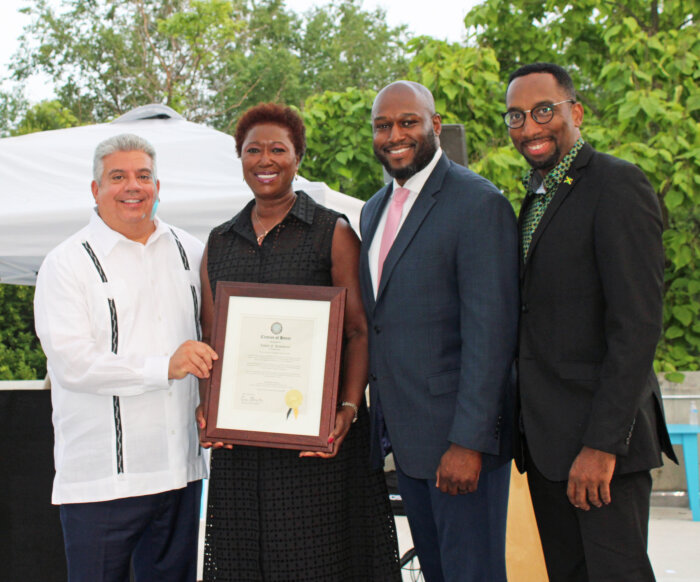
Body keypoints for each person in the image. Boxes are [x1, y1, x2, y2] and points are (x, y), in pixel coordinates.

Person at [196, 102, 401, 581]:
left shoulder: (331, 232)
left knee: (321, 559)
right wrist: (210, 408)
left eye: (277, 149)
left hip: (318, 438)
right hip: (241, 446)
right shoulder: (219, 241)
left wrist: (348, 409)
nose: (264, 160)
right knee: (245, 560)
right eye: (252, 150)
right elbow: (212, 337)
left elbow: (356, 330)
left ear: (298, 157)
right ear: (240, 157)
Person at [504, 62, 678, 581]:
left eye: (543, 111)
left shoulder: (617, 185)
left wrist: (602, 446)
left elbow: (637, 325)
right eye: (516, 116)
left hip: (601, 453)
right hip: (546, 447)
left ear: (574, 112)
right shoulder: (535, 196)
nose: (530, 127)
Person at [34, 133, 218, 582]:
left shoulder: (191, 252)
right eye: (118, 176)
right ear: (95, 189)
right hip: (103, 483)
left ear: (158, 186)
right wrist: (163, 366)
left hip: (181, 474)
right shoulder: (66, 264)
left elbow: (216, 338)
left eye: (143, 176)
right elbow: (72, 363)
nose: (132, 186)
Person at [359, 80, 519, 582]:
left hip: (459, 446)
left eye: (409, 122)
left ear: (436, 125)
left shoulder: (477, 202)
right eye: (383, 125)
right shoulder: (373, 209)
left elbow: (491, 333)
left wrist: (468, 443)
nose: (395, 134)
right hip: (406, 444)